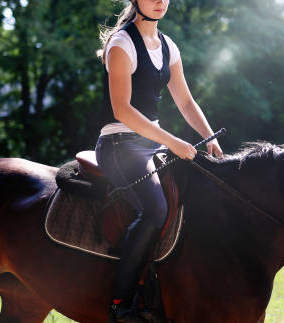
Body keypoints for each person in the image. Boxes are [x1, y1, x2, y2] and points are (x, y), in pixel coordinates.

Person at [95, 0, 223, 321]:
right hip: (119, 144)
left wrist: (212, 139)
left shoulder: (168, 46)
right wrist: (174, 142)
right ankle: (120, 305)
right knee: (155, 211)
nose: (161, 1)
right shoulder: (122, 44)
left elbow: (186, 101)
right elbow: (122, 110)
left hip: (152, 146)